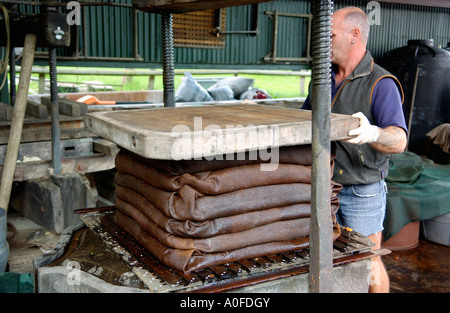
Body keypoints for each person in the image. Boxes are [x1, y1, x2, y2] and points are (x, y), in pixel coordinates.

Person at [302, 7, 408, 293]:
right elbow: (303, 123)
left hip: (363, 191)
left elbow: (399, 140)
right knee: (328, 259)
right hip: (326, 187)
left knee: (369, 261)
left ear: (355, 35)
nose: (322, 41)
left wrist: (373, 132)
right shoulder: (322, 81)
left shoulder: (380, 83)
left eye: (330, 34)